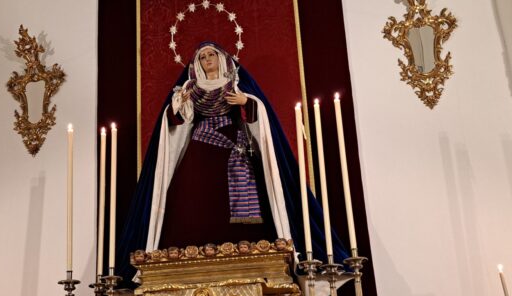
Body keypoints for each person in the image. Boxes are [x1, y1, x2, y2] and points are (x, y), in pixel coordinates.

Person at [116, 42, 348, 281]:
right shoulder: (189, 88)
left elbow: (258, 111)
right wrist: (178, 104)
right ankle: (188, 267)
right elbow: (176, 122)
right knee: (194, 202)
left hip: (233, 146)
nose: (208, 59)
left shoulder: (234, 83)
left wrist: (246, 101)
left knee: (246, 210)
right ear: (197, 64)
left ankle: (253, 263)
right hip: (201, 150)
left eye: (211, 55)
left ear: (221, 58)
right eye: (203, 57)